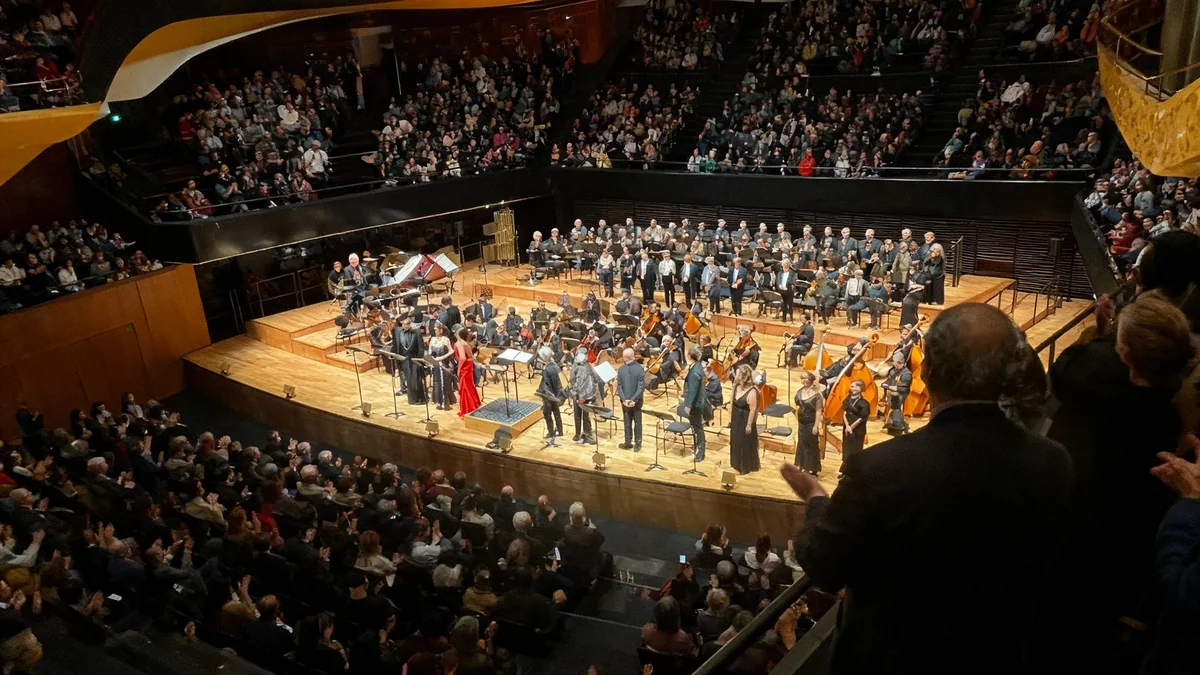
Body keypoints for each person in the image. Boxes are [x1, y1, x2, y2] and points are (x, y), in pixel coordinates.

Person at [783, 302, 1073, 675]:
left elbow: (824, 566)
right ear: (1007, 374)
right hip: (995, 655)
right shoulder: (1053, 461)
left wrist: (815, 498)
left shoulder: (878, 470)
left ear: (928, 371)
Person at [728, 365, 760, 475]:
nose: (735, 376)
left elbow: (753, 409)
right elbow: (732, 402)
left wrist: (749, 424)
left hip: (745, 419)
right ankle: (736, 463)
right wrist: (730, 416)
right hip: (736, 417)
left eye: (738, 374)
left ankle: (744, 466)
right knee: (736, 441)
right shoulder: (736, 387)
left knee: (743, 442)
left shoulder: (752, 391)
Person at [682, 347, 710, 463]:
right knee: (698, 429)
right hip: (698, 403)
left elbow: (693, 390)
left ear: (689, 356)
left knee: (698, 429)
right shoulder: (697, 366)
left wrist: (688, 406)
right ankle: (699, 449)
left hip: (695, 405)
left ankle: (700, 453)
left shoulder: (694, 372)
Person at [794, 371, 825, 475]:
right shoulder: (800, 391)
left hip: (811, 422)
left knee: (810, 445)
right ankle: (802, 465)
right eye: (802, 378)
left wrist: (816, 425)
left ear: (811, 379)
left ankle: (811, 467)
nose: (804, 381)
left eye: (806, 378)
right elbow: (797, 405)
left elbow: (818, 411)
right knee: (801, 443)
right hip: (802, 423)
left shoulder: (817, 395)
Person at [569, 350, 600, 444]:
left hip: (579, 395)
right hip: (587, 395)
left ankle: (578, 434)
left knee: (578, 415)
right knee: (585, 416)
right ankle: (587, 433)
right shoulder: (589, 366)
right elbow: (596, 379)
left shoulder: (575, 367)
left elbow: (572, 381)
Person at [617, 348, 645, 451]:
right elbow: (640, 387)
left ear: (625, 358)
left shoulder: (620, 369)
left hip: (625, 401)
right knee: (637, 422)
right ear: (633, 356)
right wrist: (633, 400)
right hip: (636, 402)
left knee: (627, 421)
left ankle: (627, 442)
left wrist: (624, 400)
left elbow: (619, 386)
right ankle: (638, 444)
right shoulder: (640, 369)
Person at [839, 380, 870, 473]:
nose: (854, 388)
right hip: (847, 426)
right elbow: (844, 412)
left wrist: (852, 427)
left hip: (858, 428)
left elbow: (862, 417)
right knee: (846, 448)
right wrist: (847, 426)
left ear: (861, 388)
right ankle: (845, 470)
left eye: (857, 386)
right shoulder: (847, 399)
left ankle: (854, 471)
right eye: (852, 386)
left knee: (856, 449)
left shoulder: (864, 403)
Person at [394, 317, 426, 404]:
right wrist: (396, 357)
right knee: (408, 378)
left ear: (410, 324)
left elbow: (421, 347)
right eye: (403, 324)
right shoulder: (397, 331)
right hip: (403, 359)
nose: (404, 326)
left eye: (406, 324)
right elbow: (395, 344)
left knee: (415, 379)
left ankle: (419, 399)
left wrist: (419, 360)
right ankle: (411, 399)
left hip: (413, 358)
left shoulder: (416, 332)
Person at [880, 352, 912, 435]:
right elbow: (889, 381)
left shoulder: (906, 373)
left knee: (895, 406)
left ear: (899, 362)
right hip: (893, 392)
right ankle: (889, 424)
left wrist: (893, 388)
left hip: (902, 394)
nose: (893, 363)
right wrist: (885, 384)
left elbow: (904, 388)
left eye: (894, 361)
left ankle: (904, 427)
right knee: (889, 401)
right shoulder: (893, 371)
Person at [535, 358, 566, 440]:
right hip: (556, 394)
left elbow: (545, 386)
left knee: (547, 414)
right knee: (556, 413)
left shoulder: (546, 370)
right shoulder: (556, 366)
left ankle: (551, 432)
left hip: (549, 396)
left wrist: (542, 394)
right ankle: (560, 431)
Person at [428, 323, 457, 411]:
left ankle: (446, 402)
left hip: (444, 365)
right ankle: (438, 402)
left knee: (444, 384)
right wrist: (431, 358)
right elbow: (429, 350)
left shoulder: (446, 339)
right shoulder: (432, 339)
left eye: (436, 329)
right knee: (436, 383)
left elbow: (451, 351)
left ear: (441, 330)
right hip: (435, 365)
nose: (435, 331)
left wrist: (441, 358)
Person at [456, 328, 481, 417]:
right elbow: (470, 356)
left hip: (465, 366)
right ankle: (474, 405)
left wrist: (459, 369)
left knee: (465, 387)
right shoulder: (466, 343)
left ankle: (468, 408)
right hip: (469, 365)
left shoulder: (460, 344)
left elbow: (462, 358)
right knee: (469, 386)